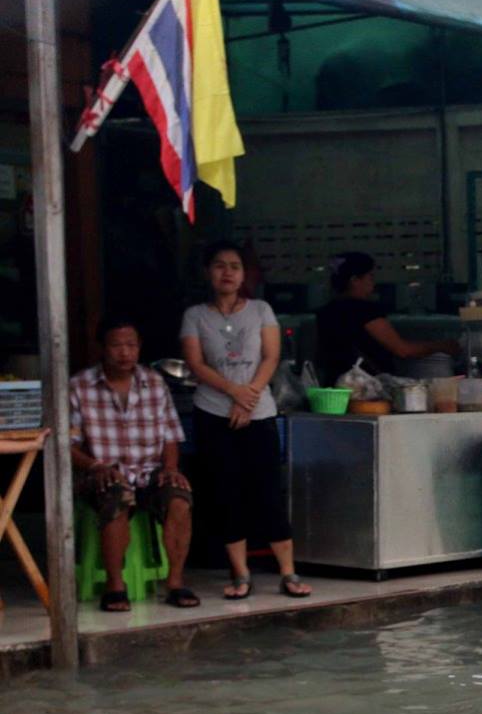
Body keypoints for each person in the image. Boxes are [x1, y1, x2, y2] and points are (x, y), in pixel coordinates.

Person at [180, 240, 310, 599]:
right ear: (209, 272)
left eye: (234, 266)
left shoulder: (261, 310)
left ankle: (288, 572)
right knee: (226, 494)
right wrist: (233, 392)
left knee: (267, 491)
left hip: (260, 412)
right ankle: (240, 573)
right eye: (220, 265)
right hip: (213, 413)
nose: (227, 272)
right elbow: (195, 363)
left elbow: (271, 356)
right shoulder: (195, 315)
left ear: (244, 274)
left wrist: (248, 395)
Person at [68, 316, 196, 612]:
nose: (124, 353)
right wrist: (95, 467)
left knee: (179, 499)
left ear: (139, 348)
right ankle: (116, 585)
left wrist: (170, 469)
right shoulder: (79, 386)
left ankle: (175, 582)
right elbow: (68, 445)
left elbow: (171, 437)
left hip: (150, 473)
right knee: (116, 495)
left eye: (131, 345)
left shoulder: (154, 383)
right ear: (102, 348)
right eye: (116, 345)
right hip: (102, 475)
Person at [315, 251, 459, 383]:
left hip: (335, 386)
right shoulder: (363, 310)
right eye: (370, 276)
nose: (373, 282)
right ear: (355, 280)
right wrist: (442, 346)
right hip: (365, 387)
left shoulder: (326, 311)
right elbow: (403, 350)